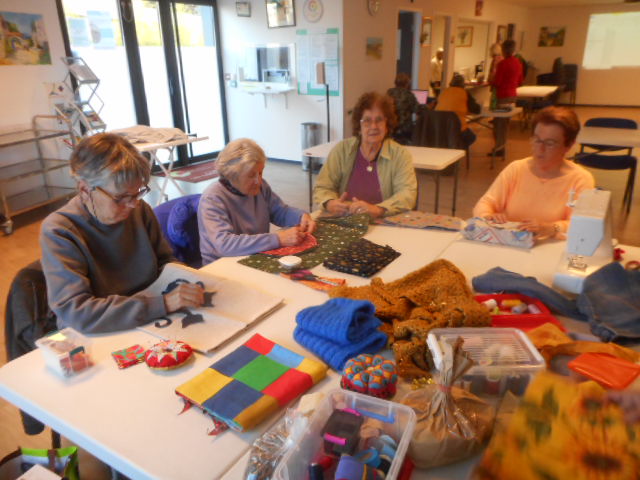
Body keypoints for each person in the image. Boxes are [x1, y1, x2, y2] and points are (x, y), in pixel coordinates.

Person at [40, 133, 204, 334]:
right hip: (97, 332)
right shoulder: (60, 230)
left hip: (147, 317)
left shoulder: (139, 210)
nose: (132, 204)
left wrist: (188, 279)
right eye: (120, 198)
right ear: (85, 190)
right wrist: (163, 304)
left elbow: (165, 262)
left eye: (137, 193)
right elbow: (77, 312)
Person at [473, 106, 595, 239]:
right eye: (537, 140)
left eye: (550, 143)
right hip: (513, 245)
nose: (540, 149)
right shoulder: (516, 169)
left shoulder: (581, 179)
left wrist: (552, 228)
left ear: (569, 145)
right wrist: (488, 216)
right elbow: (484, 204)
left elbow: (582, 226)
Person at [198, 138, 316, 264]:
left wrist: (301, 217)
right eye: (251, 175)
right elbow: (225, 245)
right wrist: (277, 239)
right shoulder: (212, 199)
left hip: (254, 255)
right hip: (221, 265)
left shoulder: (260, 187)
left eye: (260, 172)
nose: (258, 181)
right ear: (232, 174)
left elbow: (279, 211)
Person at [313, 91, 417, 219]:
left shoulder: (400, 155)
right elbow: (322, 186)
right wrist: (329, 203)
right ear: (359, 126)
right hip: (345, 221)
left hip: (383, 223)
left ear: (387, 124)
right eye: (367, 121)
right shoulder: (342, 150)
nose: (373, 126)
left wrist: (378, 209)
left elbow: (407, 195)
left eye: (379, 120)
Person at [490, 39, 523, 156]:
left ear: (504, 50)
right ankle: (501, 147)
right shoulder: (518, 63)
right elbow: (520, 81)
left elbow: (497, 82)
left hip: (502, 97)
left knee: (498, 123)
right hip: (512, 96)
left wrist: (492, 81)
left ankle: (499, 148)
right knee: (505, 124)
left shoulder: (503, 64)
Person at [435, 73, 482, 148]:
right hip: (457, 128)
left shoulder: (444, 92)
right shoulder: (464, 93)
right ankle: (457, 150)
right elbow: (476, 109)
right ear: (463, 84)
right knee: (472, 137)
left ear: (451, 83)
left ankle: (451, 147)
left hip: (439, 127)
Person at [386, 72, 420, 145]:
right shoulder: (409, 95)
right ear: (407, 83)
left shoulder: (389, 92)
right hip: (405, 128)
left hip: (391, 126)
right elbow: (417, 110)